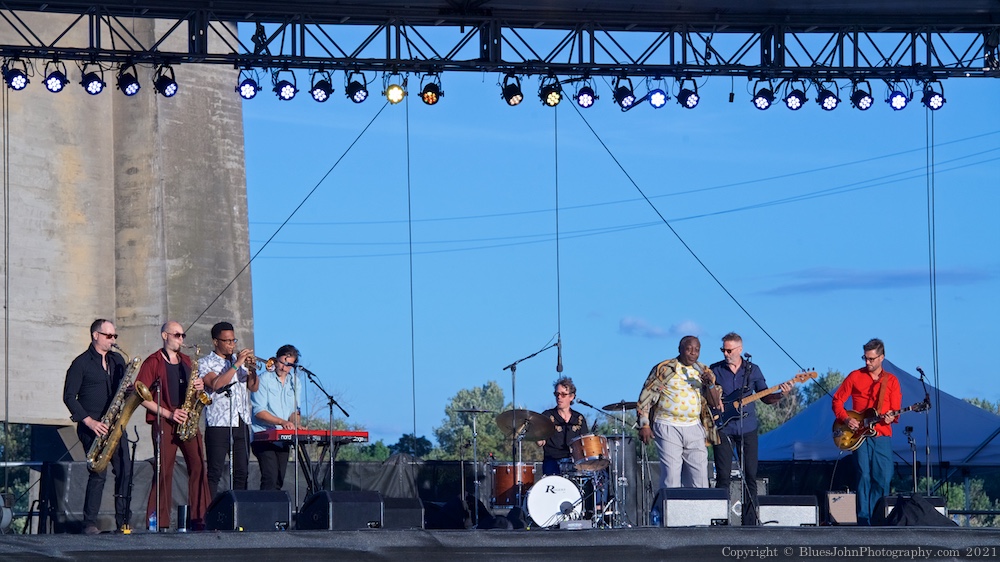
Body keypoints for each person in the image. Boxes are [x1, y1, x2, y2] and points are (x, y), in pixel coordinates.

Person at [709, 332, 792, 526]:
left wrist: (781, 395)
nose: (725, 353)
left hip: (747, 427)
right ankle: (720, 519)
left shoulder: (752, 370)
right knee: (723, 476)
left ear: (740, 350)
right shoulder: (714, 370)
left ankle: (750, 521)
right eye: (723, 350)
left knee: (750, 476)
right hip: (723, 428)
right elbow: (707, 397)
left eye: (729, 350)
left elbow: (764, 396)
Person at [135, 321, 211, 531]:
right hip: (165, 421)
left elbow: (195, 393)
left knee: (198, 466)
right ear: (165, 336)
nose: (181, 339)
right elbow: (141, 396)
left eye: (183, 336)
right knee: (164, 470)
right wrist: (169, 413)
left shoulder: (187, 361)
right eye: (177, 335)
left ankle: (199, 519)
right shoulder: (153, 361)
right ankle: (159, 522)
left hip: (188, 419)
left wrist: (199, 386)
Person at [62, 319, 132, 534]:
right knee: (98, 472)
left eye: (115, 336)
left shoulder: (118, 360)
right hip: (91, 426)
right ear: (95, 335)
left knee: (125, 471)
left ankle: (123, 522)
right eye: (108, 336)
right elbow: (69, 397)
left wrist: (129, 391)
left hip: (115, 425)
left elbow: (122, 391)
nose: (113, 340)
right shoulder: (80, 363)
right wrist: (90, 421)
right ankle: (89, 523)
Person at [637, 335, 722, 489]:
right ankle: (670, 511)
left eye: (696, 350)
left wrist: (710, 385)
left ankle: (698, 512)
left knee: (700, 477)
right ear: (680, 350)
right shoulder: (665, 368)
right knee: (672, 476)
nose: (693, 353)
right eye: (689, 349)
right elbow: (646, 397)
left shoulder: (704, 371)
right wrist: (644, 425)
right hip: (667, 425)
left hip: (695, 426)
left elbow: (715, 402)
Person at [832, 337, 901, 526]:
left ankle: (878, 518)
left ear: (882, 358)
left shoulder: (892, 381)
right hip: (859, 435)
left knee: (883, 477)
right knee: (863, 475)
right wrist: (846, 419)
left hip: (881, 435)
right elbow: (837, 400)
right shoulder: (855, 376)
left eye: (871, 359)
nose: (867, 362)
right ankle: (863, 519)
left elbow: (895, 412)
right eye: (865, 358)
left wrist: (891, 417)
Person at [198, 321, 258, 500]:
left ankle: (238, 514)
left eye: (234, 340)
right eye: (227, 341)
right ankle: (207, 515)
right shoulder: (206, 362)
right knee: (215, 471)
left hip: (241, 420)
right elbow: (216, 384)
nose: (232, 345)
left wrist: (252, 370)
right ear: (216, 342)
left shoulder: (238, 362)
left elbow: (253, 388)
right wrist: (237, 364)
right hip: (219, 423)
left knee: (242, 471)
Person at [251, 344, 302, 491]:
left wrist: (296, 424)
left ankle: (275, 512)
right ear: (276, 359)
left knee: (279, 480)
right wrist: (282, 422)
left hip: (283, 438)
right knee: (270, 478)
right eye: (282, 362)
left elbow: (295, 411)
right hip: (263, 436)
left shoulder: (295, 382)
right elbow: (259, 411)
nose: (284, 367)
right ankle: (264, 512)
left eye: (288, 364)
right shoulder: (264, 379)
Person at [536, 377, 589, 476]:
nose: (559, 397)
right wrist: (535, 434)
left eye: (563, 394)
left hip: (574, 463)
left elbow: (584, 444)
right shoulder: (547, 416)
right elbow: (540, 442)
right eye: (557, 394)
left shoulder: (579, 418)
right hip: (552, 462)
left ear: (571, 396)